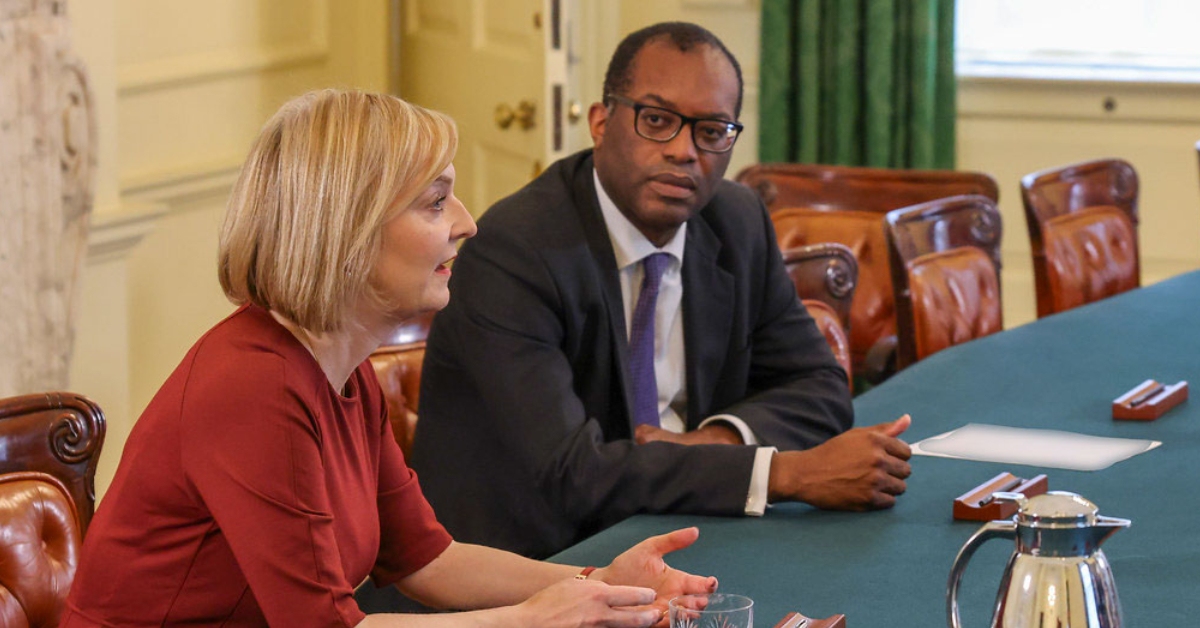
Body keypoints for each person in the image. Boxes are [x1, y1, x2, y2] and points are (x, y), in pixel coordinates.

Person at [60, 89, 718, 628]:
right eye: (436, 201)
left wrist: (597, 584)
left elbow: (426, 560)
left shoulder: (343, 367)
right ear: (346, 231)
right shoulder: (251, 383)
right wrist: (530, 619)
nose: (467, 222)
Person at [411, 22, 913, 559]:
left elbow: (819, 384)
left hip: (686, 532)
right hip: (528, 562)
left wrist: (713, 442)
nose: (683, 151)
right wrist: (783, 473)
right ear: (601, 123)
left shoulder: (736, 220)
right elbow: (571, 473)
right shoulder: (517, 251)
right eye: (657, 121)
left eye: (712, 131)